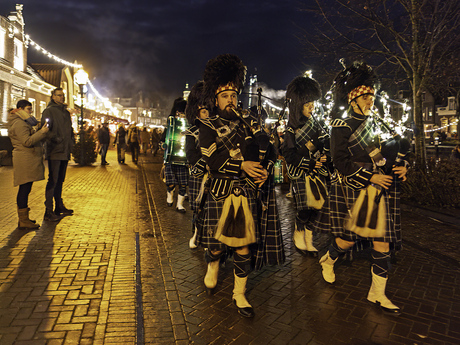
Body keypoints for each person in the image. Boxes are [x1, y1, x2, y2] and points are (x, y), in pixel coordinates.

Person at [315, 61, 408, 315]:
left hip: (377, 191)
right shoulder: (340, 127)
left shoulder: (378, 126)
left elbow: (387, 158)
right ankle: (330, 258)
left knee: (382, 242)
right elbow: (340, 163)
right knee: (348, 239)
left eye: (372, 96)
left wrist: (402, 167)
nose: (371, 101)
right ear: (353, 98)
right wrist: (370, 177)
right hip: (353, 188)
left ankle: (377, 293)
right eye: (366, 96)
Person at [197, 54, 284, 318]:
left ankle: (239, 294)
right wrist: (242, 166)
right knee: (216, 244)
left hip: (246, 192)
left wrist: (264, 171)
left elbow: (268, 153)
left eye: (234, 95)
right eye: (225, 96)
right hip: (220, 191)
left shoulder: (250, 123)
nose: (231, 100)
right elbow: (211, 159)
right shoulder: (207, 125)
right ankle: (213, 262)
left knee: (243, 245)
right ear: (216, 99)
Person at [282, 76, 331, 255]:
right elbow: (288, 154)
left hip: (317, 172)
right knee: (304, 208)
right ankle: (298, 231)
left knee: (317, 208)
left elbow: (326, 144)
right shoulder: (290, 130)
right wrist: (310, 163)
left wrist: (326, 154)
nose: (312, 108)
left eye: (312, 104)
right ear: (298, 106)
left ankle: (309, 238)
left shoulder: (317, 125)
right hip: (301, 172)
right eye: (307, 105)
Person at [8, 100, 49, 229]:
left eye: (31, 109)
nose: (30, 111)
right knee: (24, 189)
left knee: (26, 189)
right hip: (24, 160)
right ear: (20, 109)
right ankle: (23, 220)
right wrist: (42, 132)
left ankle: (24, 219)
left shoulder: (23, 122)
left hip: (27, 159)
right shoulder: (19, 123)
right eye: (28, 109)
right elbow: (26, 141)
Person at [41, 87, 75, 221]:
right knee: (53, 180)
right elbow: (44, 129)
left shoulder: (66, 113)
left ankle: (59, 206)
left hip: (65, 150)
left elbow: (69, 129)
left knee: (60, 180)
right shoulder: (49, 111)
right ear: (53, 97)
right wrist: (55, 138)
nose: (62, 98)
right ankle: (48, 211)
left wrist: (71, 140)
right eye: (59, 95)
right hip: (55, 150)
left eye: (63, 95)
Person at [184, 81, 209, 248]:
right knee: (198, 208)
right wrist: (203, 165)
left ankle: (209, 237)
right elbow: (190, 153)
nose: (206, 114)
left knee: (211, 208)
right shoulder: (191, 131)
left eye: (208, 110)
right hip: (199, 174)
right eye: (203, 111)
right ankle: (196, 232)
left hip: (214, 174)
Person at [162, 97, 189, 213]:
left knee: (183, 184)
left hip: (183, 159)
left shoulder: (189, 124)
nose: (180, 114)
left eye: (183, 112)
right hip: (171, 158)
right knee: (171, 182)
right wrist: (163, 144)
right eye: (179, 112)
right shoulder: (171, 124)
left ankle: (180, 205)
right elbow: (163, 137)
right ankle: (170, 194)